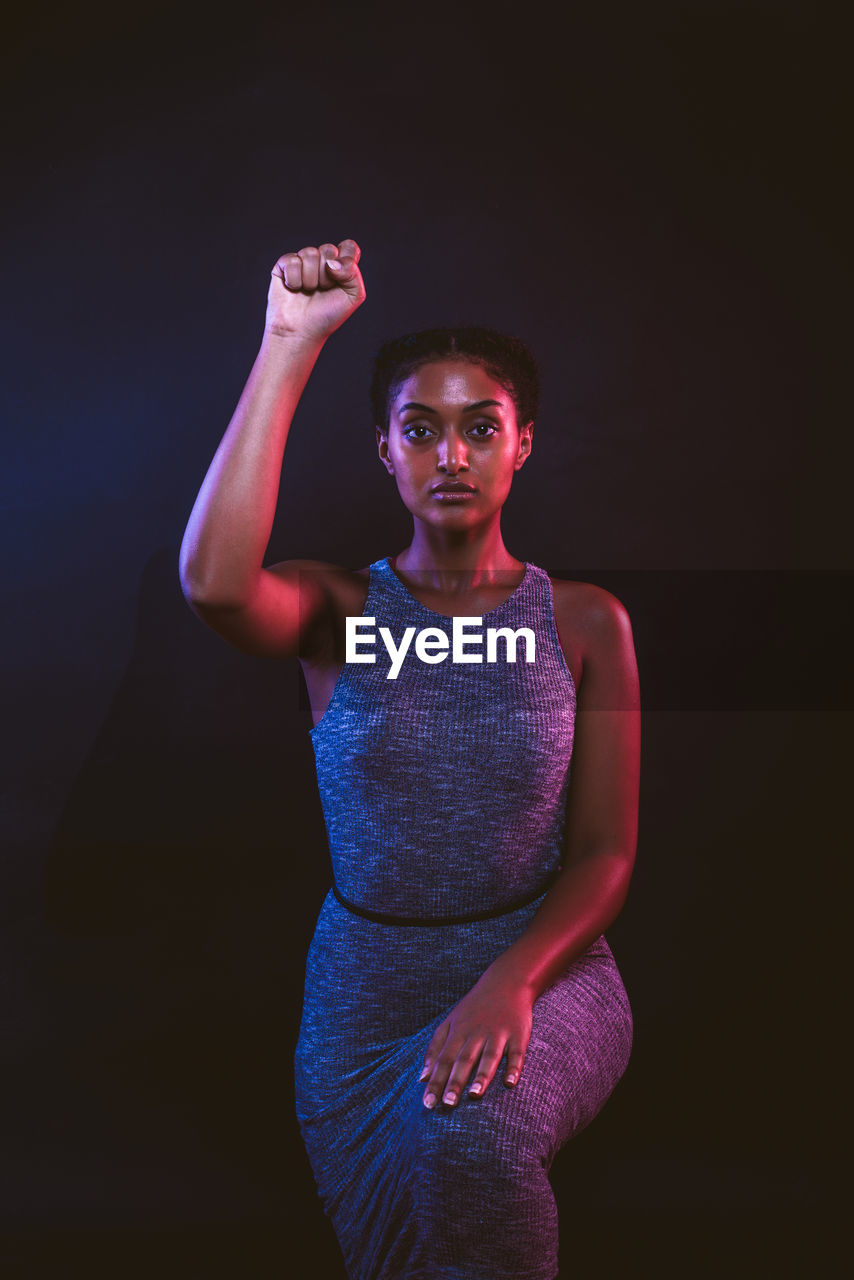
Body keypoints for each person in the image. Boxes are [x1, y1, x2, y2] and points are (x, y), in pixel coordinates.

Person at [178, 238, 641, 1280]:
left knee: (469, 1135)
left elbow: (606, 855)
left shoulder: (583, 621)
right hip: (366, 998)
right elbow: (213, 585)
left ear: (522, 443)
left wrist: (509, 981)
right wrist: (288, 343)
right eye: (420, 429)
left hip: (545, 968)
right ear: (384, 449)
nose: (451, 454)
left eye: (480, 427)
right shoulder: (338, 612)